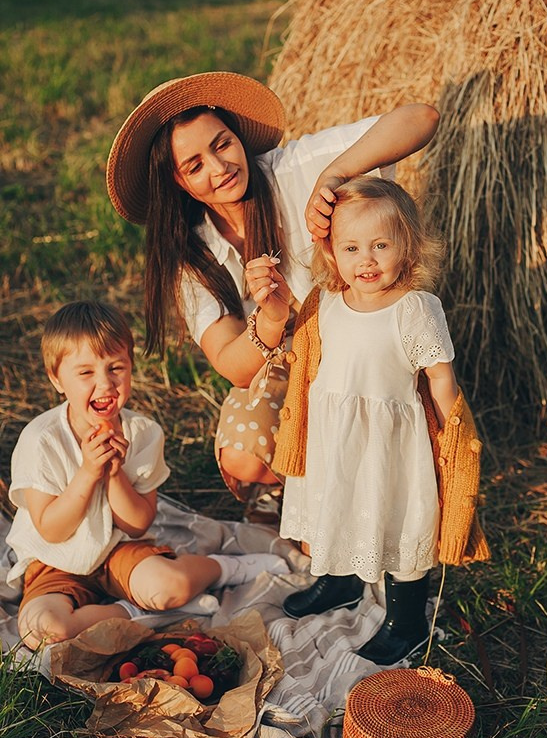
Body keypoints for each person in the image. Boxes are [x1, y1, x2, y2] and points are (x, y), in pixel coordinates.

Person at [106, 71, 440, 520]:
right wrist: (270, 318)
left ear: (238, 138)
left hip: (366, 346)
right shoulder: (189, 253)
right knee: (244, 452)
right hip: (290, 364)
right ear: (177, 183)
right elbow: (233, 366)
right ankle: (308, 492)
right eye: (195, 166)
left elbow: (421, 117)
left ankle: (352, 491)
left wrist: (336, 173)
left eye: (222, 144)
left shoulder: (290, 169)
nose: (219, 168)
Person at [262, 177, 490, 666]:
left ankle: (405, 620)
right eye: (351, 247)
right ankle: (342, 578)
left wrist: (454, 435)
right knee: (338, 503)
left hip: (390, 443)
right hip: (333, 438)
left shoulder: (414, 309)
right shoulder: (324, 303)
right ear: (331, 253)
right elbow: (301, 357)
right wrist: (272, 302)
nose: (365, 259)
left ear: (407, 245)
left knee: (397, 517)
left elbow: (440, 378)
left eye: (380, 245)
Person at [7, 301, 288, 650]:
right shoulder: (42, 439)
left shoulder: (142, 432)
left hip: (115, 549)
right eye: (85, 373)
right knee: (43, 630)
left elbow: (137, 524)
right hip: (53, 562)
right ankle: (134, 612)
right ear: (56, 379)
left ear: (130, 368)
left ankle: (222, 568)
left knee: (170, 586)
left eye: (116, 368)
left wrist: (113, 475)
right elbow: (52, 529)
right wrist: (88, 472)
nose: (105, 384)